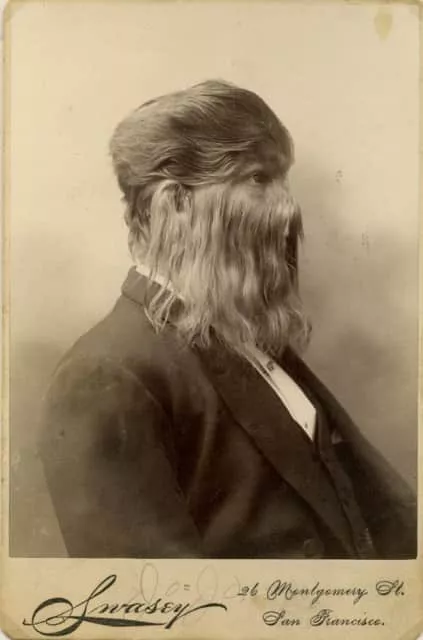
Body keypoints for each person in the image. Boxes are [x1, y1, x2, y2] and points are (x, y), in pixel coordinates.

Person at [39, 80, 416, 559]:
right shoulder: (104, 375)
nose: (288, 208)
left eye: (283, 180)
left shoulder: (245, 338)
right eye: (258, 179)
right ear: (176, 203)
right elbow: (153, 599)